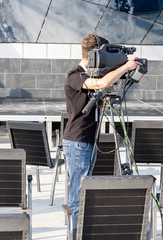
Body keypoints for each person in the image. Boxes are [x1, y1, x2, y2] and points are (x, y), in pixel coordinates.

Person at [62, 33, 141, 234]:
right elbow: (101, 84)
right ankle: (76, 234)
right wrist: (125, 67)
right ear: (95, 56)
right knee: (78, 193)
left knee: (85, 189)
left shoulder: (89, 74)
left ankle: (83, 230)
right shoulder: (75, 75)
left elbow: (104, 84)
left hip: (88, 140)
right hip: (78, 140)